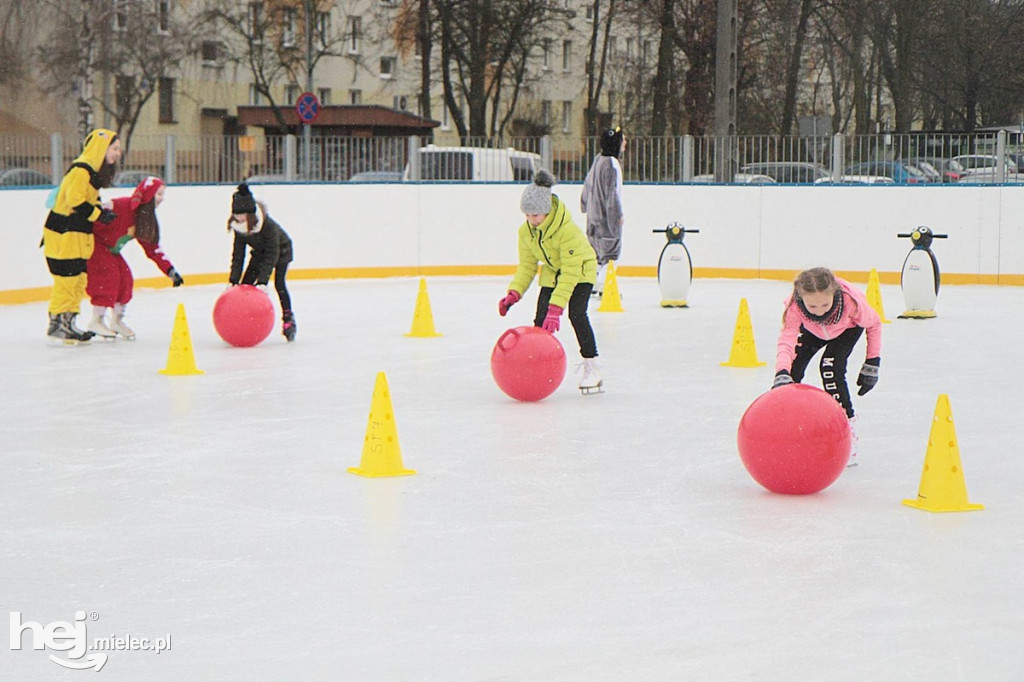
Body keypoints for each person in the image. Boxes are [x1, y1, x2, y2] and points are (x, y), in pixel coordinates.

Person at [498, 169, 602, 394]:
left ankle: (591, 366)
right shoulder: (526, 232)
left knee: (576, 313)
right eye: (527, 215)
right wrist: (513, 294)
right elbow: (527, 266)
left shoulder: (568, 231)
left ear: (547, 211)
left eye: (536, 215)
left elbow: (571, 273)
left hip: (581, 270)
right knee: (540, 320)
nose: (531, 220)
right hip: (554, 270)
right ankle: (535, 367)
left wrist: (557, 308)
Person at [772, 267, 882, 465]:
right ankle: (784, 431)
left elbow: (874, 324)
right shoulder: (794, 307)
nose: (820, 311)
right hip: (812, 331)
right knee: (791, 375)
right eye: (812, 307)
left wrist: (872, 362)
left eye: (825, 304)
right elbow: (787, 338)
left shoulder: (851, 302)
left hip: (847, 329)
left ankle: (848, 434)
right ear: (801, 298)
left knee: (830, 367)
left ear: (835, 294)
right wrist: (781, 371)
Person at [41, 128, 122, 344]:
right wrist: (98, 214)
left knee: (78, 280)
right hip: (63, 235)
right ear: (101, 148)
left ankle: (68, 321)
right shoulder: (81, 171)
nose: (117, 154)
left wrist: (100, 211)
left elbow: (86, 199)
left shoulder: (91, 175)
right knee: (67, 281)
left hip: (76, 236)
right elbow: (75, 200)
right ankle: (58, 323)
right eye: (114, 148)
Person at [86, 176, 183, 340]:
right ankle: (96, 320)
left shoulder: (145, 219)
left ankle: (116, 320)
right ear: (148, 195)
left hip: (111, 250)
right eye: (159, 194)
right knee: (109, 275)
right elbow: (91, 216)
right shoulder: (120, 206)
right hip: (93, 243)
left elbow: (153, 248)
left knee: (125, 278)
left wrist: (170, 270)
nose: (162, 199)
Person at [227, 183, 296, 341]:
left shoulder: (267, 226)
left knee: (279, 284)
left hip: (282, 250)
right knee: (245, 286)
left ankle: (288, 319)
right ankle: (242, 321)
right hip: (259, 253)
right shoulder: (239, 228)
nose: (239, 218)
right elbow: (238, 255)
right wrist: (233, 281)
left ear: (250, 213)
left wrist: (263, 281)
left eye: (242, 214)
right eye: (236, 214)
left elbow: (272, 253)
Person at [580, 126, 626, 297]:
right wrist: (617, 216)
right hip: (605, 219)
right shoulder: (612, 164)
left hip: (593, 217)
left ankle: (592, 283)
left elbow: (588, 184)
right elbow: (611, 194)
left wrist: (585, 204)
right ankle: (604, 285)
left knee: (596, 255)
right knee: (610, 254)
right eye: (623, 140)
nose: (625, 143)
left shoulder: (598, 159)